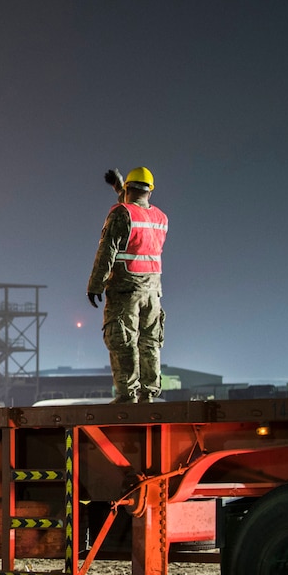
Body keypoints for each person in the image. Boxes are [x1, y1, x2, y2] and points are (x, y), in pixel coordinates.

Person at [87, 167, 168, 403]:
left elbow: (107, 251)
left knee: (122, 339)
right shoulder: (160, 217)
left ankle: (127, 394)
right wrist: (119, 186)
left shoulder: (121, 214)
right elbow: (135, 205)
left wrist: (96, 284)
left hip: (126, 287)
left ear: (129, 188)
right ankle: (149, 393)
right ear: (150, 191)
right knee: (150, 341)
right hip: (153, 291)